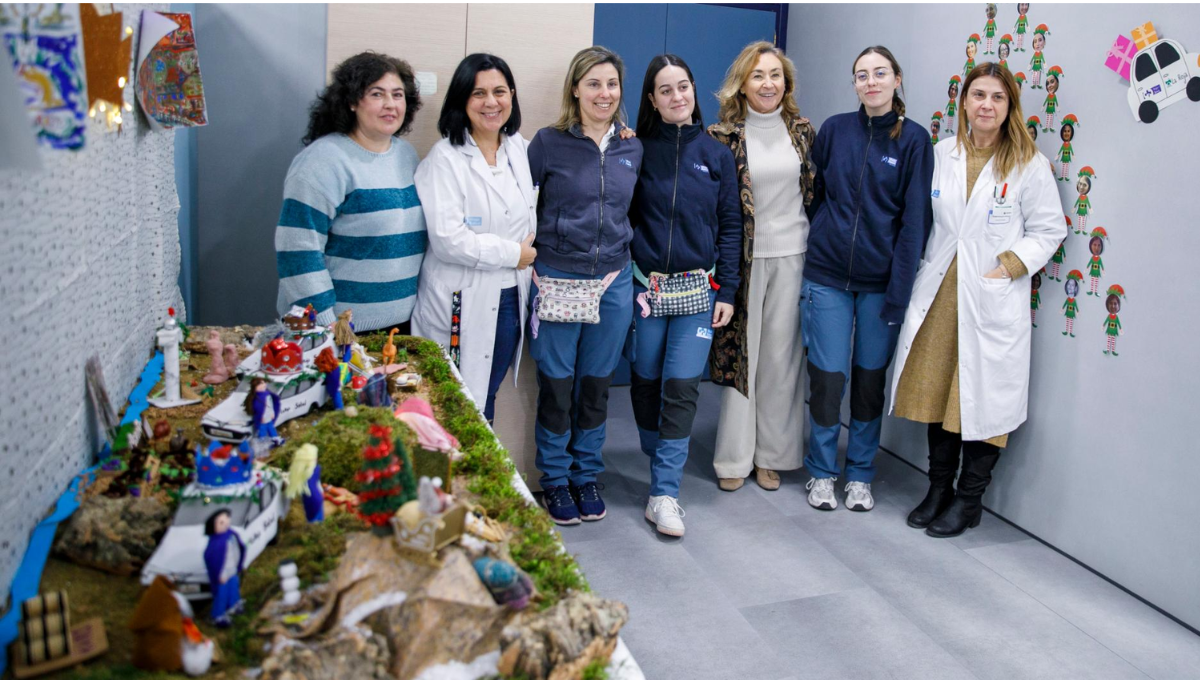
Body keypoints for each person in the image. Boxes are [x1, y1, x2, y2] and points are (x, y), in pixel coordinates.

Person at [891, 62, 1067, 537]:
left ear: (1009, 106)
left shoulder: (1028, 163)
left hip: (989, 293)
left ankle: (969, 501)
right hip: (942, 290)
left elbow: (1051, 228)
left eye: (997, 97)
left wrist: (1005, 267)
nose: (986, 105)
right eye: (978, 95)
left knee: (981, 400)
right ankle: (937, 489)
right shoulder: (941, 152)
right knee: (939, 391)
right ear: (963, 102)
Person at [801, 46, 934, 512]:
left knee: (868, 382)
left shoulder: (915, 141)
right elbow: (814, 194)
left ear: (897, 79)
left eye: (880, 73)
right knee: (828, 380)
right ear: (854, 83)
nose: (871, 82)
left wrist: (898, 294)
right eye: (862, 75)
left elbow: (915, 223)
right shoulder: (835, 130)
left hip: (881, 288)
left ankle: (859, 474)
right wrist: (825, 234)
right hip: (827, 278)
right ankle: (820, 472)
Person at [527, 46, 643, 525]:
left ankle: (586, 473)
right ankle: (554, 478)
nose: (604, 93)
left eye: (612, 84)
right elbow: (521, 209)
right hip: (558, 278)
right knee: (557, 386)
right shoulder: (547, 143)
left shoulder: (631, 146)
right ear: (575, 88)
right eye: (593, 83)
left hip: (613, 281)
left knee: (596, 386)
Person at [628, 55, 742, 537]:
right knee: (646, 382)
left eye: (684, 87)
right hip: (646, 290)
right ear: (652, 99)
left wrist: (728, 290)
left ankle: (665, 492)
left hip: (699, 292)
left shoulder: (716, 154)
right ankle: (659, 460)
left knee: (681, 386)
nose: (677, 97)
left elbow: (732, 226)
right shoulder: (635, 151)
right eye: (665, 90)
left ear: (695, 90)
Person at [708, 41, 815, 493]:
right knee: (741, 360)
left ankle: (773, 456)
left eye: (775, 75)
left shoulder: (804, 133)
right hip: (744, 261)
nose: (767, 83)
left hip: (794, 255)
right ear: (742, 83)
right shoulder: (721, 137)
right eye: (757, 75)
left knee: (780, 360)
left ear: (785, 83)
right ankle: (734, 457)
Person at [411, 53, 536, 422]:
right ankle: (447, 477)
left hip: (510, 295)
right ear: (462, 99)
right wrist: (514, 253)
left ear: (511, 95)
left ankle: (476, 475)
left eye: (499, 91)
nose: (491, 102)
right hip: (460, 297)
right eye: (478, 93)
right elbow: (448, 240)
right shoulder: (444, 159)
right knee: (453, 400)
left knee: (486, 393)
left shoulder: (520, 149)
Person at [275, 52, 427, 333]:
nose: (390, 104)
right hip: (338, 327)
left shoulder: (406, 155)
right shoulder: (323, 160)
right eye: (377, 94)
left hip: (399, 324)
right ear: (352, 101)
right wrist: (325, 321)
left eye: (397, 95)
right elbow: (297, 247)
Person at [203, 509, 244, 627]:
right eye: (221, 522)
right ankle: (218, 615)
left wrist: (238, 564)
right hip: (223, 574)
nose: (226, 523)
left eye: (226, 520)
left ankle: (234, 604)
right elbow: (212, 559)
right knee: (221, 593)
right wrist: (219, 574)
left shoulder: (231, 535)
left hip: (232, 569)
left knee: (233, 588)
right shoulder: (215, 543)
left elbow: (238, 548)